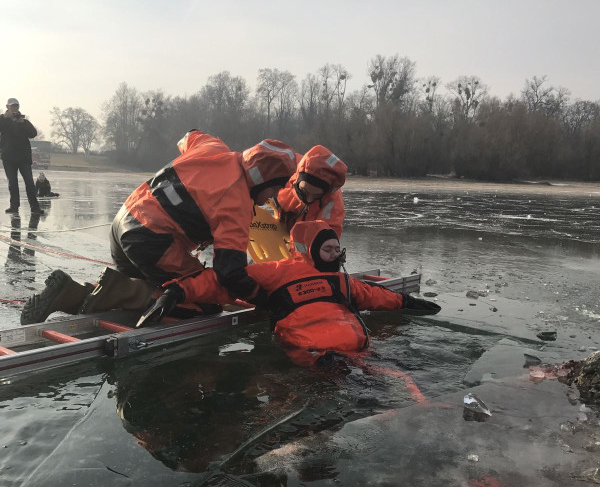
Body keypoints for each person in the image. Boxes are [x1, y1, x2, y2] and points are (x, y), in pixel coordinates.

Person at [20, 131, 296, 324]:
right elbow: (229, 273)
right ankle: (70, 293)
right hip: (152, 239)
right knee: (204, 302)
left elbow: (189, 136)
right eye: (277, 187)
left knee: (149, 285)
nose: (274, 196)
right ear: (264, 178)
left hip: (125, 221)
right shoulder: (235, 202)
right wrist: (265, 298)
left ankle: (93, 292)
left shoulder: (213, 147)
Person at [139, 220, 441, 364]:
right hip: (312, 357)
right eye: (328, 249)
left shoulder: (344, 281)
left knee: (400, 382)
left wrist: (407, 301)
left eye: (338, 248)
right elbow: (223, 281)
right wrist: (179, 291)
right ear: (309, 250)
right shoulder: (276, 272)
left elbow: (376, 296)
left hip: (359, 351)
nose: (336, 255)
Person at [275, 145, 347, 237]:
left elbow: (327, 238)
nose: (309, 199)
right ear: (297, 179)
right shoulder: (284, 169)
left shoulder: (333, 203)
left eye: (316, 195)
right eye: (304, 190)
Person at [0, 98, 44, 215]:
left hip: (23, 158)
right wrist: (4, 117)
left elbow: (33, 133)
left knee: (29, 182)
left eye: (16, 106)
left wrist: (23, 124)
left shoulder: (24, 121)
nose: (14, 108)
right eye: (12, 106)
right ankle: (14, 206)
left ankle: (35, 207)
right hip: (9, 158)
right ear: (7, 107)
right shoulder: (3, 120)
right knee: (12, 183)